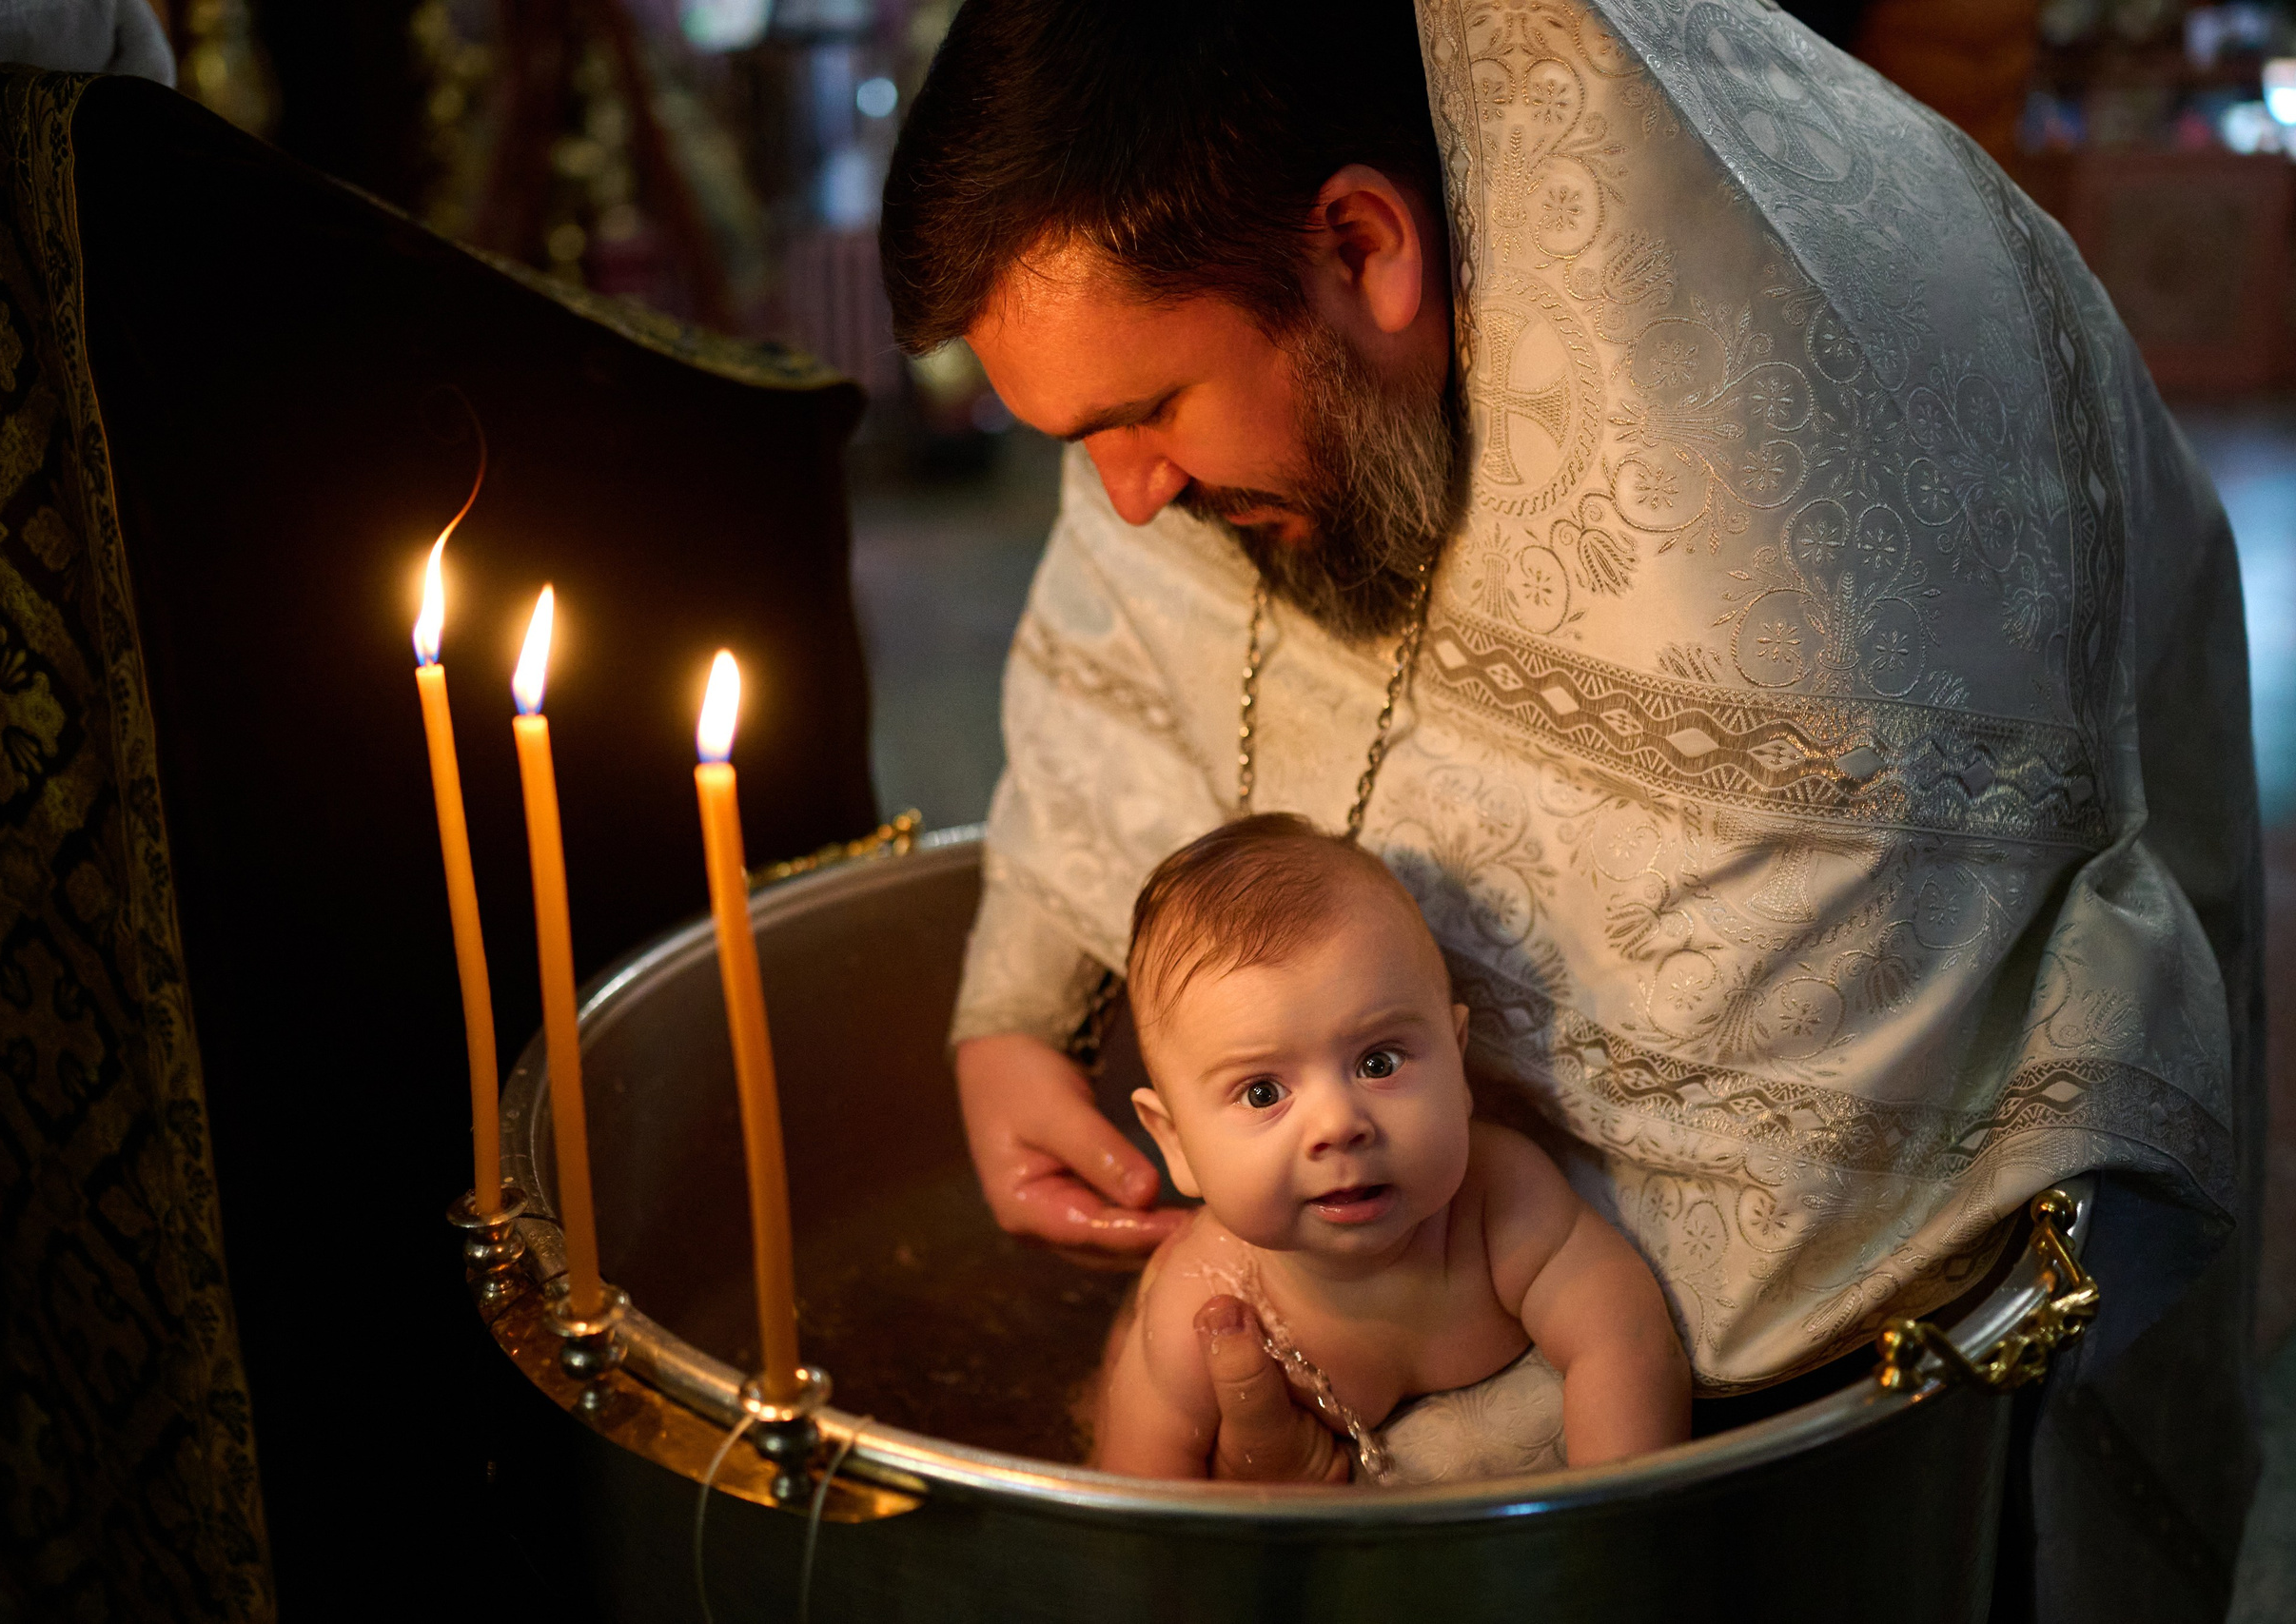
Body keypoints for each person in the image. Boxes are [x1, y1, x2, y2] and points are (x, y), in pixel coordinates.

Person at [882, 0, 2259, 1613]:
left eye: (1149, 415)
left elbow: (1774, 1213)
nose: (1124, 496)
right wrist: (1008, 1015)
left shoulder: (1758, 494)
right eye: (1076, 439)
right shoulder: (1218, 294)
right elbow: (1135, 629)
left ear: (1362, 244)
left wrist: (1383, 1496)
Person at [1093, 814, 1689, 1480]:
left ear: (1458, 1067)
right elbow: (1132, 1511)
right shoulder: (1203, 1307)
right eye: (1263, 1093)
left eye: (1378, 1062)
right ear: (1174, 1143)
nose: (1339, 1125)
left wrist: (1606, 1539)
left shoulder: (1501, 1201)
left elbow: (1625, 1340)